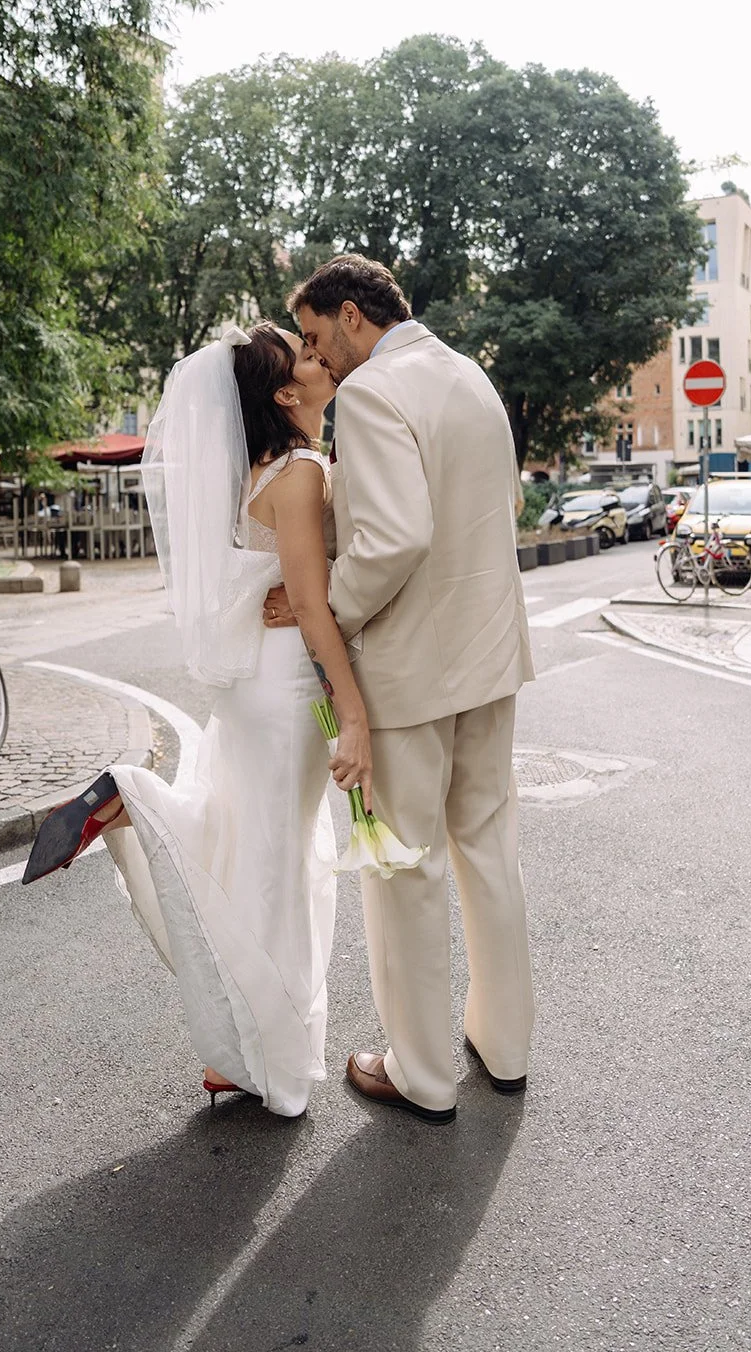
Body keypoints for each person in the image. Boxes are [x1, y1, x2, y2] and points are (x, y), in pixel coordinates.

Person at [21, 322, 371, 1118]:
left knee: (246, 854)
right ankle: (273, 1063)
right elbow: (314, 609)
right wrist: (351, 715)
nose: (324, 359)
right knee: (282, 874)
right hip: (286, 694)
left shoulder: (253, 471)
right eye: (309, 356)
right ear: (286, 394)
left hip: (249, 686)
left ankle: (246, 1049)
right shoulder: (304, 472)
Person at [272, 253, 535, 1125]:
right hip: (489, 659)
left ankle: (420, 1072)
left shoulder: (377, 393)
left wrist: (324, 611)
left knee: (403, 868)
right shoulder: (470, 377)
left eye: (315, 337)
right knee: (487, 850)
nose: (317, 359)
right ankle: (504, 1043)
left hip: (411, 670)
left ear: (353, 315)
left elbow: (391, 540)